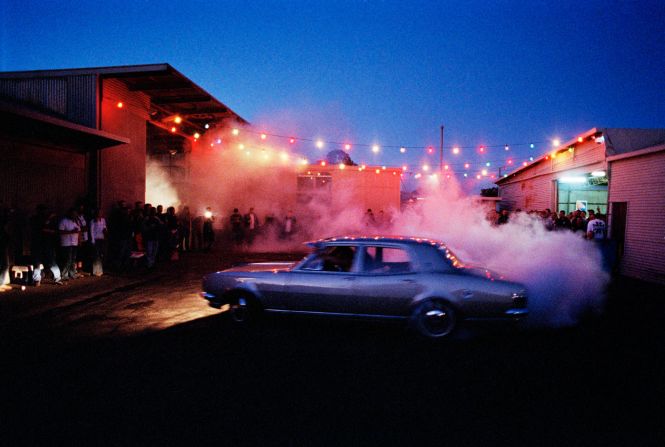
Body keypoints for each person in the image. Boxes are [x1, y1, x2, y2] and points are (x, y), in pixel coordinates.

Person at [58, 208, 81, 280]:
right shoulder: (64, 221)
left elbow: (79, 231)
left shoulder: (76, 222)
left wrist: (79, 241)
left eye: (76, 214)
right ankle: (64, 274)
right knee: (68, 259)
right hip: (66, 243)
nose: (75, 215)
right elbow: (60, 232)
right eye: (73, 214)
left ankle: (72, 273)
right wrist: (71, 232)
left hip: (74, 243)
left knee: (73, 259)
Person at [89, 209, 108, 276]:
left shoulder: (103, 220)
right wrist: (93, 240)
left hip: (102, 238)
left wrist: (105, 231)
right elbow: (91, 231)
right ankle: (96, 271)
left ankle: (100, 269)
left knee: (101, 254)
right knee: (96, 255)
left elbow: (105, 227)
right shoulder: (93, 221)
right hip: (96, 239)